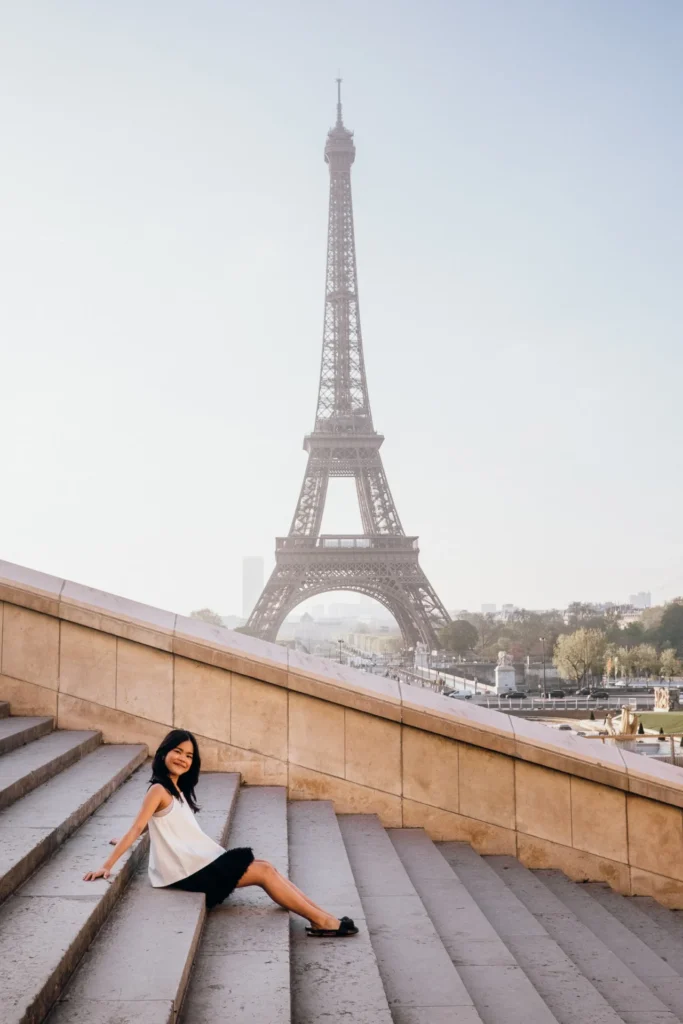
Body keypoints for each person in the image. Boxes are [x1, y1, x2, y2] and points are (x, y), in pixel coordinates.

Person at [83, 728, 358, 938]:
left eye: (189, 755)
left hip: (195, 862)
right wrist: (106, 866)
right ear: (164, 751)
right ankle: (322, 922)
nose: (183, 759)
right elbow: (137, 826)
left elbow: (153, 823)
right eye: (177, 751)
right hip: (187, 871)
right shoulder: (158, 789)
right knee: (263, 873)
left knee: (266, 866)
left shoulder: (175, 787)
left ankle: (322, 916)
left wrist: (135, 835)